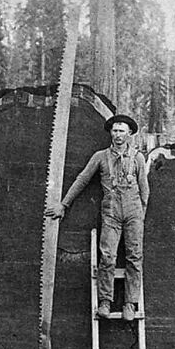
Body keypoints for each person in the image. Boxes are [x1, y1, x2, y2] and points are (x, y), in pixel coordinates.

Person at [46, 114, 149, 322]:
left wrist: (140, 217)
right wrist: (64, 204)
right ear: (110, 133)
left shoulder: (137, 158)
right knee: (108, 256)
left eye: (122, 130)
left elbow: (145, 191)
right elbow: (82, 179)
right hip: (110, 212)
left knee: (134, 257)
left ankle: (130, 303)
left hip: (133, 212)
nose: (118, 134)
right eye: (115, 130)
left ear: (129, 133)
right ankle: (105, 301)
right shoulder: (100, 157)